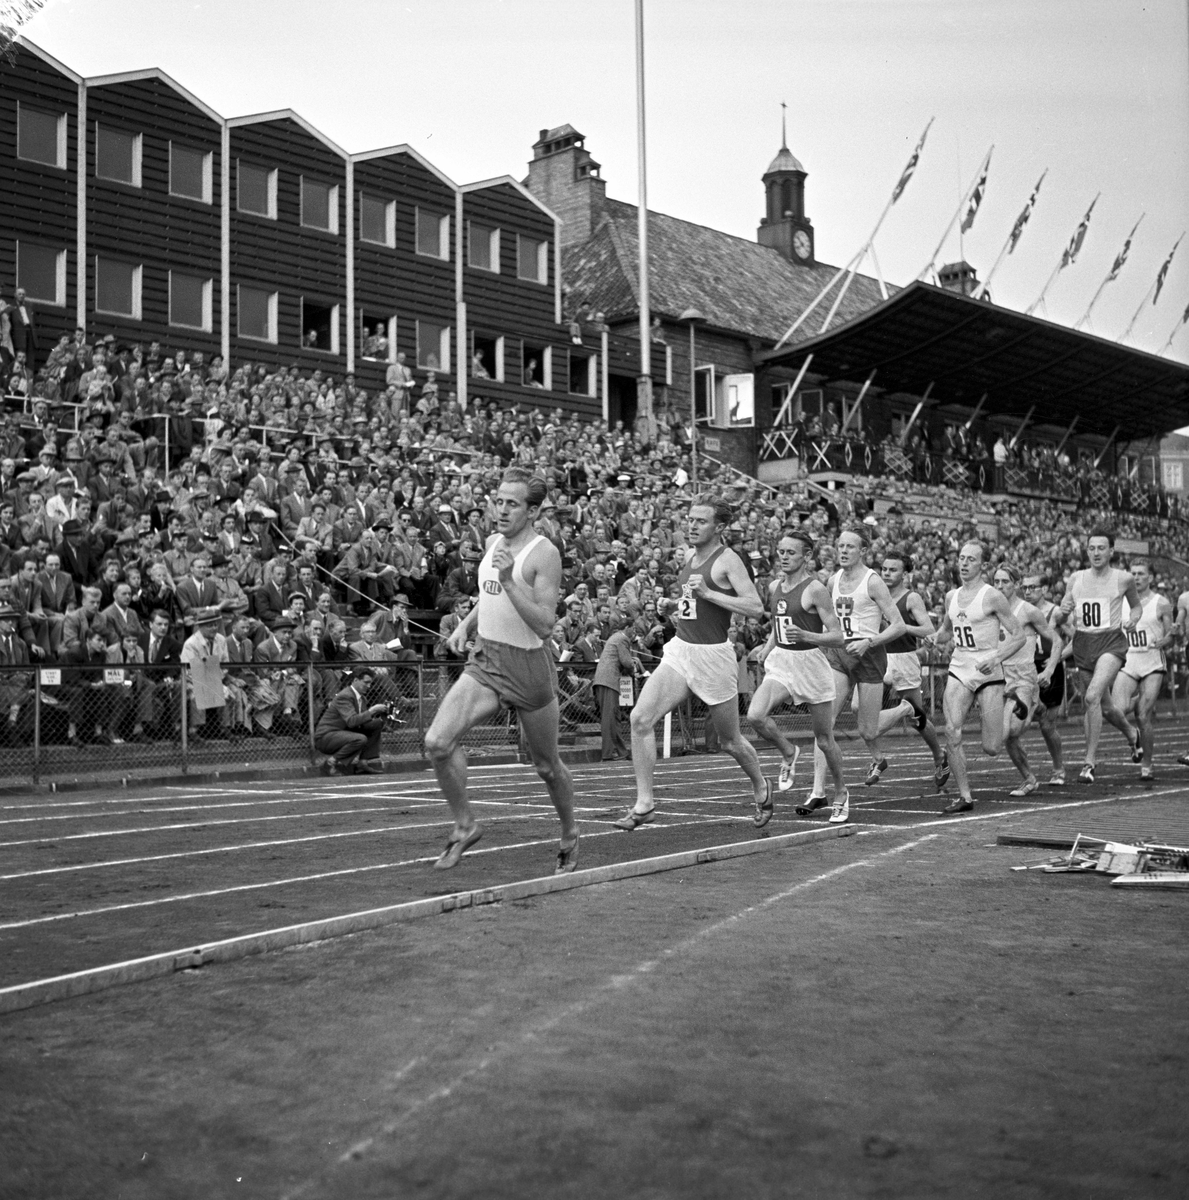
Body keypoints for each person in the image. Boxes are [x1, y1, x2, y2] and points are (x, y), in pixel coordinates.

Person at [424, 466, 579, 873]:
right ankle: (465, 825)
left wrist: (512, 581)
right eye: (498, 501)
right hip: (487, 659)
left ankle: (569, 832)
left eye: (512, 504)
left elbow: (546, 624)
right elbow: (487, 594)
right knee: (438, 742)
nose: (501, 510)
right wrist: (464, 624)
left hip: (528, 666)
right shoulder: (493, 541)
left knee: (547, 765)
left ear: (532, 511)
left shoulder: (544, 553)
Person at [613, 495, 770, 831]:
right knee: (640, 718)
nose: (691, 525)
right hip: (681, 649)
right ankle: (645, 804)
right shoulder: (688, 555)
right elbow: (692, 601)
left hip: (714, 657)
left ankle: (759, 784)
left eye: (700, 521)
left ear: (720, 527)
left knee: (730, 741)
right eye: (690, 519)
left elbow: (755, 607)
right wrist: (673, 603)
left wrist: (710, 595)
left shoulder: (728, 560)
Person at [803, 526, 907, 820]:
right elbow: (828, 619)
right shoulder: (833, 579)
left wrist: (869, 641)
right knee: (824, 722)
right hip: (839, 654)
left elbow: (897, 624)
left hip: (869, 655)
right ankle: (817, 792)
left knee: (867, 729)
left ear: (863, 551)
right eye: (840, 545)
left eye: (850, 546)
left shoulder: (873, 582)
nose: (843, 550)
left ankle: (905, 709)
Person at [746, 531, 848, 824]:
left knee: (825, 739)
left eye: (791, 552)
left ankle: (841, 792)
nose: (784, 556)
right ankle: (788, 751)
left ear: (806, 557)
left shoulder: (815, 589)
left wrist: (806, 634)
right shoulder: (775, 584)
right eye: (781, 551)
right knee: (755, 716)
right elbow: (779, 627)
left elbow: (838, 636)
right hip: (782, 662)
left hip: (812, 664)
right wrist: (766, 649)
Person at [931, 541, 1025, 814]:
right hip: (960, 666)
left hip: (989, 669)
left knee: (992, 747)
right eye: (961, 558)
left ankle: (1011, 704)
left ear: (983, 565)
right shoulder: (951, 597)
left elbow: (1018, 636)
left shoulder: (992, 596)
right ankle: (965, 796)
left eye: (971, 559)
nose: (964, 563)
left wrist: (996, 658)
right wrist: (936, 638)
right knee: (951, 730)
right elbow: (947, 631)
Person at [1059, 529, 1142, 782]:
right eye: (1092, 548)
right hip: (1084, 642)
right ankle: (1131, 734)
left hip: (1111, 642)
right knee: (1103, 706)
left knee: (1092, 696)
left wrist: (1133, 620)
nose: (1096, 552)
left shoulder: (1123, 578)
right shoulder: (1075, 578)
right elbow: (1065, 608)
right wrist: (1064, 608)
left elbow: (1136, 606)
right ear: (1087, 551)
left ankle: (1089, 763)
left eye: (1101, 548)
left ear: (1111, 551)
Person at [879, 551, 950, 792]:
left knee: (916, 719)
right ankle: (876, 757)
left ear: (905, 574)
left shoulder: (911, 598)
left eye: (893, 570)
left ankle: (939, 755)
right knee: (861, 706)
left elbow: (928, 629)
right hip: (878, 656)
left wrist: (900, 627)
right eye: (884, 569)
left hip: (904, 658)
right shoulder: (874, 594)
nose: (887, 573)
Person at [992, 565, 1062, 797]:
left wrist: (1050, 670)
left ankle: (1033, 704)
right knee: (1008, 736)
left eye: (1004, 582)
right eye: (996, 581)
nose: (999, 586)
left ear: (1016, 584)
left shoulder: (1028, 611)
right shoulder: (990, 610)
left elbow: (1057, 642)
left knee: (1010, 731)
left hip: (1023, 676)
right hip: (998, 675)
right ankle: (1029, 779)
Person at [1110, 559, 1172, 782]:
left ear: (1150, 578)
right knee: (1115, 710)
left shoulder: (1161, 602)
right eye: (1133, 573)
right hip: (1129, 661)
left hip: (1152, 663)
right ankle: (1132, 735)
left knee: (1143, 715)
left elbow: (1170, 635)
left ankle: (1147, 765)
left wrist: (1164, 641)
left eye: (1141, 573)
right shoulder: (1122, 602)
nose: (1136, 577)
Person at [1021, 574, 1070, 785]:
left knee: (1047, 725)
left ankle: (1058, 769)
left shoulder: (1055, 612)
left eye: (1033, 587)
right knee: (1021, 721)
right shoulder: (1020, 610)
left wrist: (1055, 659)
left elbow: (1076, 638)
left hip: (1051, 670)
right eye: (1024, 588)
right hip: (1027, 668)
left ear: (1044, 589)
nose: (1028, 591)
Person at [314, 664, 387, 775]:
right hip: (326, 737)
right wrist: (372, 711)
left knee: (376, 724)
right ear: (356, 680)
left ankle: (362, 764)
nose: (369, 686)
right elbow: (352, 721)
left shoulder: (362, 698)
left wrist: (381, 717)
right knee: (360, 738)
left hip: (342, 733)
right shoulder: (345, 696)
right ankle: (330, 763)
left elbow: (362, 722)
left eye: (370, 683)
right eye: (366, 682)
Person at [593, 613, 638, 761]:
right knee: (609, 718)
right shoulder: (622, 638)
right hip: (608, 681)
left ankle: (621, 752)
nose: (635, 632)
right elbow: (626, 662)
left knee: (614, 717)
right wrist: (635, 670)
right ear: (627, 628)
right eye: (633, 629)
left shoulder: (616, 638)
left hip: (605, 680)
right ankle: (607, 753)